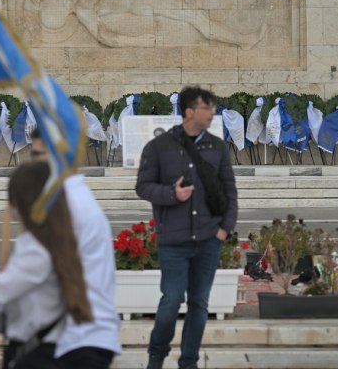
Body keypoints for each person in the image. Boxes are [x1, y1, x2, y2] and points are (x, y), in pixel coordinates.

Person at [135, 86, 238, 369]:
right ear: (190, 111)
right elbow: (142, 186)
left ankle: (189, 362)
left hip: (209, 238)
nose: (213, 112)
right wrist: (171, 194)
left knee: (199, 304)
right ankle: (157, 354)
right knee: (170, 300)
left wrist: (224, 229)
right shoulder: (159, 147)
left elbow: (230, 191)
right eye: (208, 107)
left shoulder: (217, 147)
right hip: (174, 241)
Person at [0, 160, 92, 369]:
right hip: (38, 350)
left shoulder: (37, 250)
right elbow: (5, 316)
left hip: (38, 355)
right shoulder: (53, 240)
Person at [28, 128, 121, 368]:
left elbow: (34, 271)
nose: (33, 162)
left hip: (82, 339)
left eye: (40, 155)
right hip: (79, 335)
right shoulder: (67, 197)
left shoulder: (66, 204)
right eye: (33, 154)